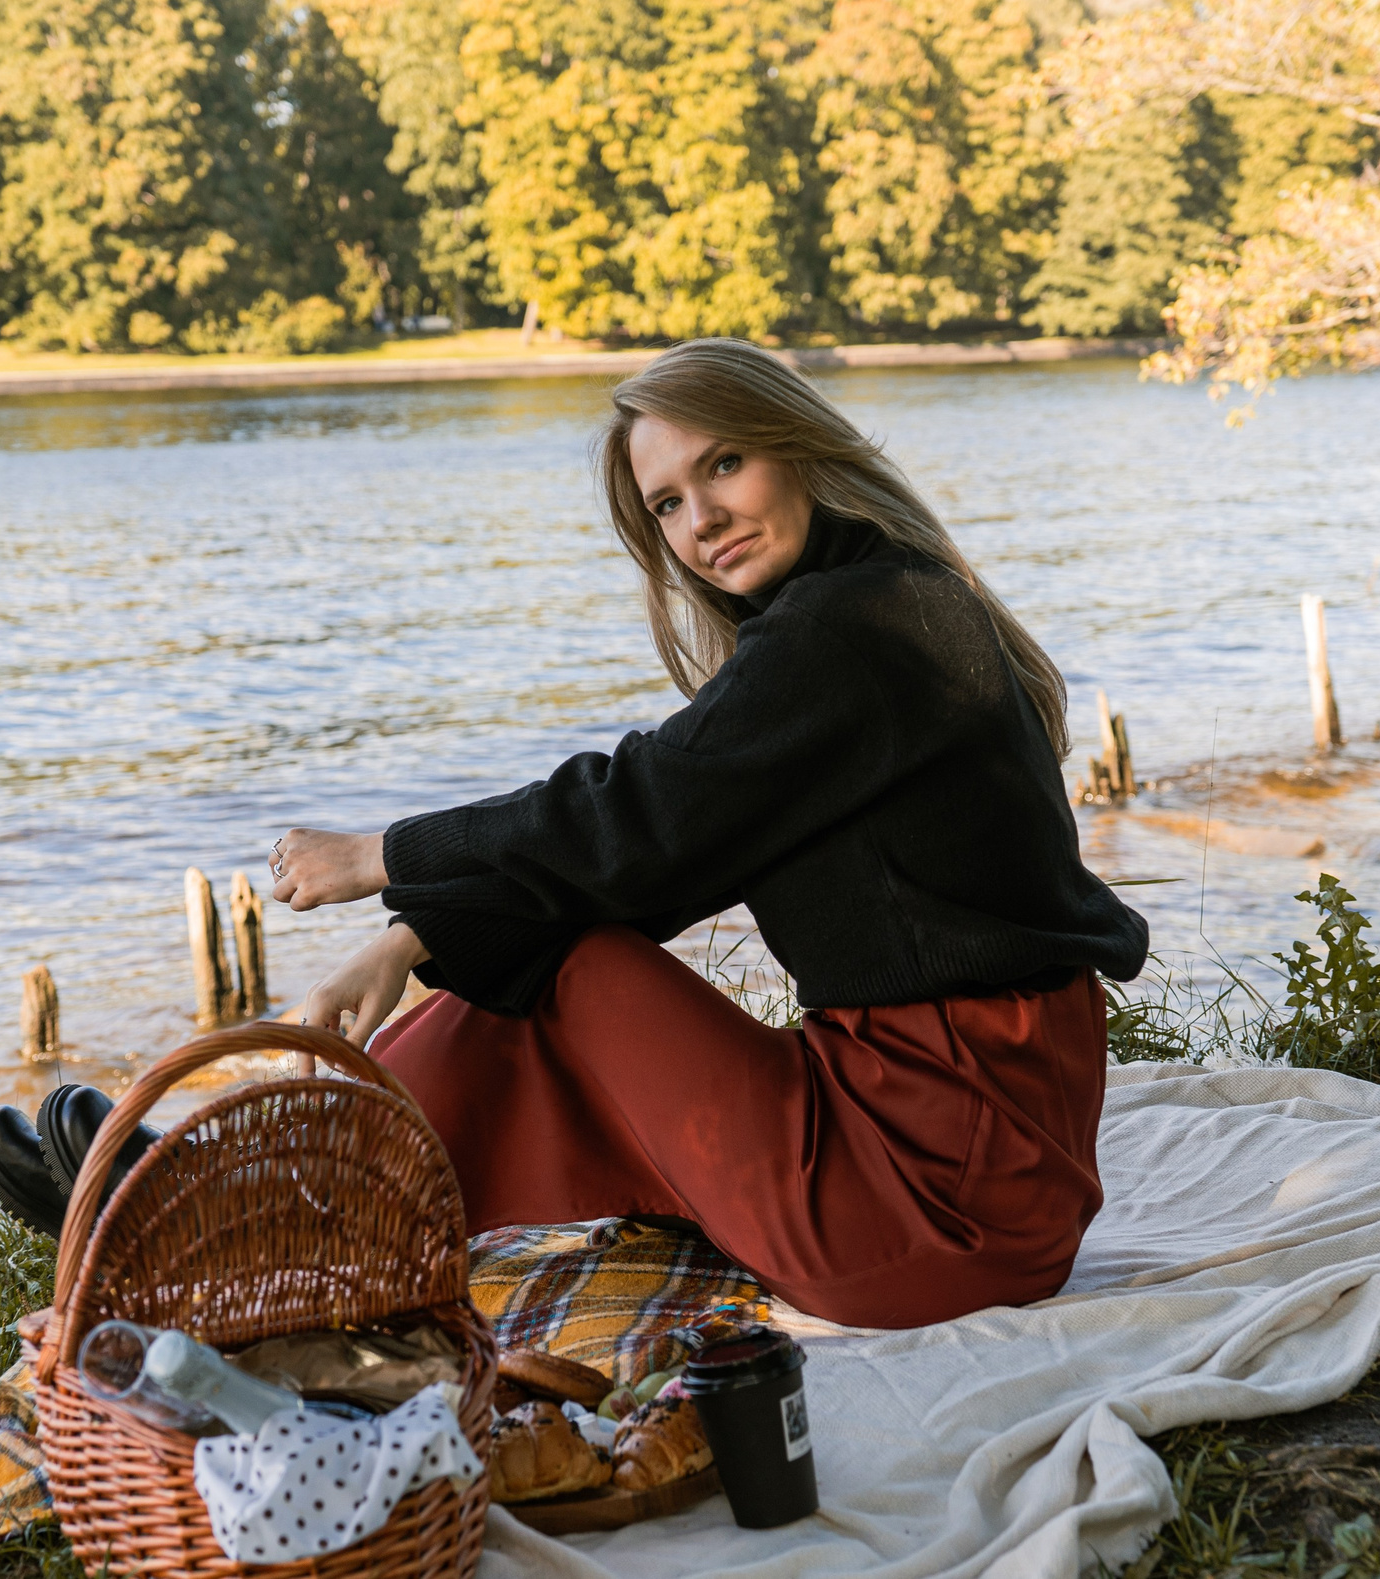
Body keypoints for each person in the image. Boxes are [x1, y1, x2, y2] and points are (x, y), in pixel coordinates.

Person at [262, 339, 1147, 1328]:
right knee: (575, 941)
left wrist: (376, 857)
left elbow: (631, 815)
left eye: (724, 464)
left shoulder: (848, 631)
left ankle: (279, 1213)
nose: (702, 520)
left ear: (800, 444)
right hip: (992, 1186)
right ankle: (292, 1199)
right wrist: (406, 942)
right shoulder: (891, 602)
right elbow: (653, 861)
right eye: (667, 504)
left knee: (581, 969)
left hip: (930, 1201)